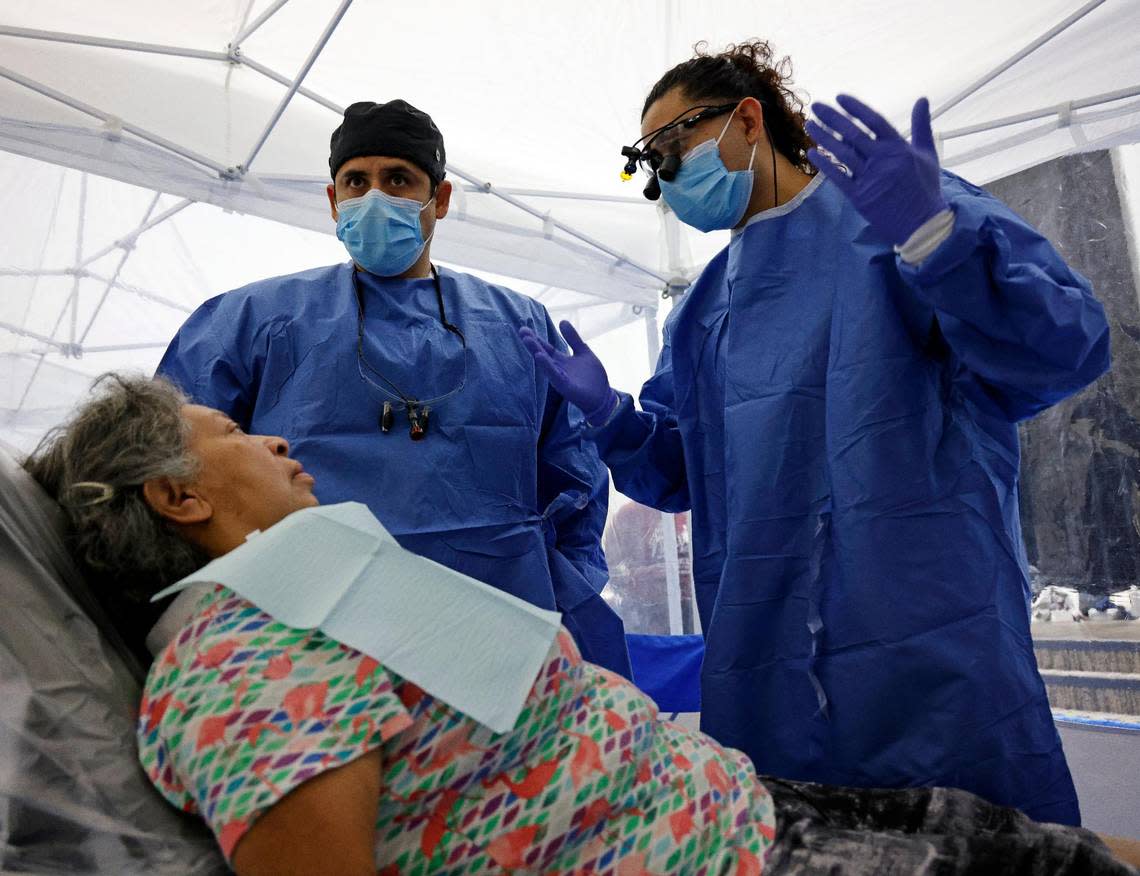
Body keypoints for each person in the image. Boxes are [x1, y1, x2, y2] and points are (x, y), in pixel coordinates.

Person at [23, 373, 1139, 875]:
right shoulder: (238, 671)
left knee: (1056, 848)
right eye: (230, 432)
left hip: (729, 809)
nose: (272, 441)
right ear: (177, 497)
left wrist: (604, 426)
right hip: (725, 855)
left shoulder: (311, 590)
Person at [520, 40, 1111, 826]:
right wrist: (610, 416)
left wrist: (938, 241)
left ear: (746, 119)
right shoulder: (702, 311)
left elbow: (1060, 348)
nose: (664, 176)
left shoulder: (895, 220)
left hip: (930, 642)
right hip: (768, 673)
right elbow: (680, 471)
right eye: (649, 163)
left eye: (672, 147)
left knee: (979, 843)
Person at [156, 99, 630, 678]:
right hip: (315, 636)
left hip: (496, 629)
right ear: (334, 201)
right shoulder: (252, 322)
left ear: (442, 200)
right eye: (356, 181)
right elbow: (177, 469)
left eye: (399, 179)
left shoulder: (519, 326)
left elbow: (575, 485)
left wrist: (560, 596)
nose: (374, 197)